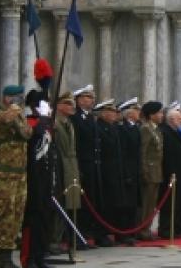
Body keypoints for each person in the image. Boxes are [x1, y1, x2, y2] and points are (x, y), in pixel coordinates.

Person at [0, 85, 33, 268]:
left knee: (16, 216)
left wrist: (19, 114)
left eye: (20, 98)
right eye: (14, 97)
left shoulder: (20, 116)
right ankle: (3, 258)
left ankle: (9, 255)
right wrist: (13, 109)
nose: (18, 101)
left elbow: (27, 133)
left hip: (20, 176)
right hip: (4, 176)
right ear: (6, 98)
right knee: (4, 215)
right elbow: (4, 120)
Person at [20, 90, 54, 268]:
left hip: (45, 176)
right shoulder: (30, 123)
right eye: (44, 103)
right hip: (32, 176)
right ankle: (29, 257)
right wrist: (40, 123)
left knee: (44, 216)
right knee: (32, 217)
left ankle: (40, 255)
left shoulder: (46, 124)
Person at [50, 93, 81, 253]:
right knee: (58, 205)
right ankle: (53, 239)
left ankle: (64, 237)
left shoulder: (68, 123)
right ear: (59, 106)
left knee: (68, 204)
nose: (72, 106)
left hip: (70, 166)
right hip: (60, 167)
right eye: (68, 104)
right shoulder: (54, 123)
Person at [158, 109, 181, 238]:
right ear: (172, 120)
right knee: (169, 204)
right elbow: (167, 157)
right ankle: (166, 229)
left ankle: (176, 227)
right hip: (171, 174)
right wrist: (171, 173)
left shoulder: (178, 132)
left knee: (179, 203)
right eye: (179, 119)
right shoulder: (165, 133)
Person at [70, 85, 100, 241]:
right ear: (79, 100)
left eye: (91, 97)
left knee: (90, 199)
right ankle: (79, 232)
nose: (91, 100)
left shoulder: (90, 117)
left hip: (92, 164)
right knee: (81, 200)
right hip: (82, 163)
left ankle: (87, 230)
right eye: (87, 97)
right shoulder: (75, 118)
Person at [93, 100, 123, 247]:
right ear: (103, 113)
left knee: (111, 205)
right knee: (103, 205)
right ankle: (101, 234)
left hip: (113, 171)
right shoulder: (99, 128)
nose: (114, 115)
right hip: (103, 171)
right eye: (110, 112)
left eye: (114, 112)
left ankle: (107, 233)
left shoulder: (112, 128)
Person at [115, 98, 141, 245]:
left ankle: (131, 231)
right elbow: (123, 154)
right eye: (136, 110)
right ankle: (123, 233)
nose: (139, 113)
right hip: (127, 171)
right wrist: (125, 173)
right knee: (125, 205)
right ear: (129, 113)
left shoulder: (134, 128)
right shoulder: (122, 129)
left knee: (133, 205)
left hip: (135, 170)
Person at [138, 101, 163, 241]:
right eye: (159, 112)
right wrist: (145, 171)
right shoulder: (146, 129)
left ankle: (147, 228)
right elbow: (143, 152)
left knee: (152, 204)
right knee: (146, 203)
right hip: (149, 171)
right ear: (151, 114)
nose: (161, 115)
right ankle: (142, 230)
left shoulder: (156, 129)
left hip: (157, 171)